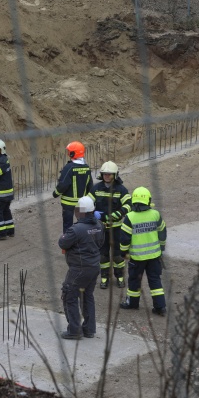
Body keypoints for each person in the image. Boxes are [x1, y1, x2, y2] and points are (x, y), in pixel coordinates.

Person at [58, 196, 105, 339]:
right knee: (87, 296)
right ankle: (89, 329)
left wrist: (64, 237)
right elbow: (101, 243)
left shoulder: (76, 229)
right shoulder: (99, 225)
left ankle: (74, 331)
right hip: (94, 267)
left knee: (70, 296)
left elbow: (63, 243)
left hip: (79, 269)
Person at [119, 187, 168, 316]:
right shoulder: (155, 214)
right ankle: (160, 307)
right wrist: (161, 248)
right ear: (148, 200)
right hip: (154, 256)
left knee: (134, 280)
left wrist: (123, 253)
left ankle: (133, 303)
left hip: (137, 257)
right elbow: (162, 232)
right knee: (155, 280)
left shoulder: (130, 217)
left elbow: (124, 239)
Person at [90, 161, 131, 289]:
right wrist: (92, 213)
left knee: (118, 255)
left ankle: (119, 277)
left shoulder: (121, 189)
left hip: (117, 228)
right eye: (104, 174)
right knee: (103, 255)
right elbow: (87, 203)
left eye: (109, 174)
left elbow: (129, 205)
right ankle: (104, 278)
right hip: (101, 229)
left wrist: (116, 214)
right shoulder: (96, 188)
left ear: (115, 175)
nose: (106, 176)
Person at [53, 141, 93, 233]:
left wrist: (55, 193)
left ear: (73, 153)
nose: (68, 153)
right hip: (82, 203)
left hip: (68, 204)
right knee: (82, 223)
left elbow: (63, 184)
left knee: (68, 226)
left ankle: (67, 244)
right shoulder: (86, 168)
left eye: (69, 151)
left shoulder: (69, 167)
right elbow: (89, 185)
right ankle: (82, 241)